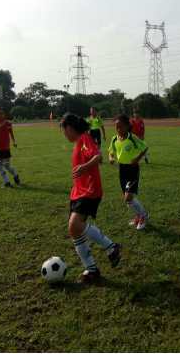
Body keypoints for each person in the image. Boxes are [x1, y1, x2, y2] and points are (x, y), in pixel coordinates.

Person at [60, 113, 121, 283]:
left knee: (75, 225)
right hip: (78, 191)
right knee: (74, 230)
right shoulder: (78, 142)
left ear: (70, 128)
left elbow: (98, 156)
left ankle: (111, 247)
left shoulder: (85, 139)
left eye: (64, 131)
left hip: (89, 191)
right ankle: (92, 270)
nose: (64, 135)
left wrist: (84, 167)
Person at [108, 114, 150, 230]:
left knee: (128, 197)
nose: (118, 129)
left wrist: (137, 159)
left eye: (120, 127)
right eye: (116, 127)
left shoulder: (132, 138)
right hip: (122, 170)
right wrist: (111, 158)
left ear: (127, 126)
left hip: (132, 170)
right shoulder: (115, 139)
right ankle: (138, 216)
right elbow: (111, 151)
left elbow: (145, 147)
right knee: (127, 198)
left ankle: (144, 216)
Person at [0, 108, 21, 188]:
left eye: (1, 113)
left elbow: (11, 133)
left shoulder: (8, 123)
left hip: (5, 148)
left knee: (6, 165)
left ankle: (15, 175)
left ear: (4, 115)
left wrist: (14, 142)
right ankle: (6, 182)